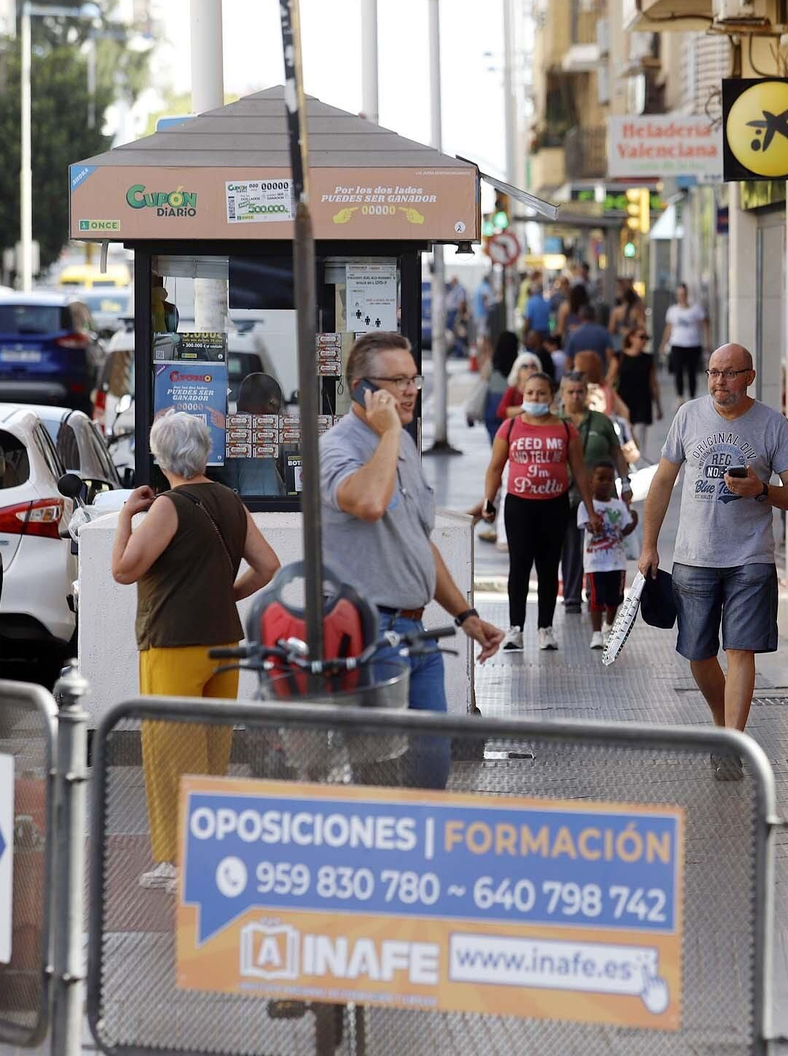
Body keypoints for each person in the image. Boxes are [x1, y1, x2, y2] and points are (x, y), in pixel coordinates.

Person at [320, 332, 506, 789]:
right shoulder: (338, 448)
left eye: (413, 378)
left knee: (431, 764)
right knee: (379, 769)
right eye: (397, 380)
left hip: (414, 632)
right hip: (369, 633)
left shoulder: (401, 444)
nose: (410, 390)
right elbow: (367, 502)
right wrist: (386, 434)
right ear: (364, 388)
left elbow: (418, 541)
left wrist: (465, 614)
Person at [110, 412, 281, 890]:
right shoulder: (230, 500)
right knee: (212, 753)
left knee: (168, 754)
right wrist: (224, 596)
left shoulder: (169, 507)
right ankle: (207, 853)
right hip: (223, 641)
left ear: (161, 456)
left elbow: (124, 570)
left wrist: (126, 515)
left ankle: (174, 860)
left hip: (173, 643)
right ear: (203, 451)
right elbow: (267, 566)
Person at [639, 344, 788, 780]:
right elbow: (661, 482)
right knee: (698, 653)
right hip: (694, 556)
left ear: (750, 377)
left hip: (750, 557)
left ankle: (733, 742)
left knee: (740, 649)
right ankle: (724, 728)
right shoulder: (688, 416)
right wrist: (649, 545)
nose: (719, 382)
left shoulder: (773, 424)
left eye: (730, 374)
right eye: (714, 373)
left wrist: (762, 490)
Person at [482, 371, 599, 653]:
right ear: (523, 393)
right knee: (519, 567)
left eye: (542, 393)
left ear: (552, 396)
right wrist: (489, 501)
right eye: (531, 393)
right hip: (519, 505)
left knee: (548, 569)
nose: (535, 398)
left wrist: (590, 509)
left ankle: (545, 628)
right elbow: (495, 467)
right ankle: (516, 629)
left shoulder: (565, 428)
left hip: (554, 504)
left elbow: (580, 471)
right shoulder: (509, 427)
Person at [557, 372, 630, 616]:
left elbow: (617, 453)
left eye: (580, 391)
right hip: (565, 495)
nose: (576, 396)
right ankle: (571, 598)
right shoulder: (555, 420)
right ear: (562, 393)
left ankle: (597, 596)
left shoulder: (601, 421)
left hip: (600, 497)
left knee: (599, 544)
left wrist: (626, 483)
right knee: (570, 545)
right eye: (571, 391)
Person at [578, 461, 637, 650]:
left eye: (610, 479)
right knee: (596, 597)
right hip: (595, 562)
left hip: (617, 562)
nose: (605, 483)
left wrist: (633, 521)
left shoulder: (618, 506)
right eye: (600, 478)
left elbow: (625, 529)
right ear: (590, 481)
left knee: (615, 598)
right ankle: (596, 633)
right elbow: (586, 525)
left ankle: (608, 627)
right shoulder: (586, 506)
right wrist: (593, 526)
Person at [609, 326, 662, 458]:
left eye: (646, 338)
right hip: (623, 401)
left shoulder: (648, 359)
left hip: (643, 401)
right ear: (631, 338)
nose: (644, 341)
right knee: (624, 435)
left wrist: (658, 406)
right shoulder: (619, 357)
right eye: (641, 337)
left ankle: (639, 462)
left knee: (640, 435)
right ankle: (627, 462)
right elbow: (610, 379)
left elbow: (653, 382)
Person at [664, 284, 709, 401]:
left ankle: (692, 396)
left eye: (683, 294)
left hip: (693, 344)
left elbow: (705, 325)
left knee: (692, 372)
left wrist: (707, 342)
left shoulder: (696, 309)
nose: (681, 297)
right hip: (677, 344)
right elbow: (668, 328)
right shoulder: (672, 310)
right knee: (678, 371)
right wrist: (664, 343)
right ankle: (680, 396)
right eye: (679, 294)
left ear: (687, 294)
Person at [482, 332, 518, 445]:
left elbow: (483, 379)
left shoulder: (493, 363)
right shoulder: (519, 363)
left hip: (493, 402)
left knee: (495, 438)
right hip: (512, 403)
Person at [574, 349, 627, 422]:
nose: (574, 369)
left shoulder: (585, 390)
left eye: (576, 366)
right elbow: (625, 412)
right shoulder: (606, 389)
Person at [496, 351, 543, 422]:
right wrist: (526, 408)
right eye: (525, 366)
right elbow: (501, 412)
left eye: (533, 366)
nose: (530, 370)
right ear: (517, 371)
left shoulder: (543, 390)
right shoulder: (512, 390)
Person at [523, 272, 552, 337]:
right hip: (546, 332)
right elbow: (551, 319)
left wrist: (524, 333)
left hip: (535, 334)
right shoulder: (547, 302)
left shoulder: (531, 302)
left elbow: (528, 320)